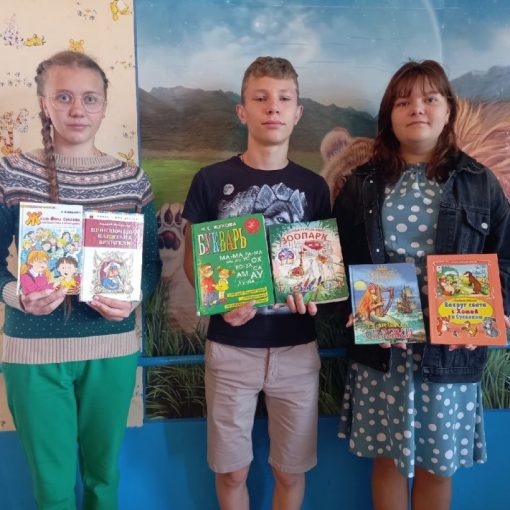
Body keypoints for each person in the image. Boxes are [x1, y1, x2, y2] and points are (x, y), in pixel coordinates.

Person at [334, 59, 510, 510]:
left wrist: (499, 307)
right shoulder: (361, 184)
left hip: (450, 346)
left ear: (448, 109)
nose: (417, 108)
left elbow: (505, 257)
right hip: (384, 345)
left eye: (430, 99)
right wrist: (349, 307)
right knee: (388, 460)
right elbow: (338, 261)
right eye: (403, 101)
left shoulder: (479, 183)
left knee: (437, 465)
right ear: (389, 115)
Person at [0, 51, 161, 510]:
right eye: (64, 97)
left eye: (90, 98)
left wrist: (133, 297)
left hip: (111, 349)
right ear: (44, 103)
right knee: (51, 490)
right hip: (33, 353)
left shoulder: (132, 180)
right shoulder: (10, 174)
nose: (77, 109)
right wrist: (17, 295)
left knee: (103, 482)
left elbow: (150, 265)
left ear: (105, 105)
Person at [183, 56, 331, 510]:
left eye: (284, 98)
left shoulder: (314, 187)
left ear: (297, 112)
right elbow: (193, 262)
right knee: (232, 470)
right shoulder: (211, 180)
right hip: (231, 348)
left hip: (296, 348)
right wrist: (218, 302)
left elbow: (322, 267)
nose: (273, 107)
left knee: (291, 469)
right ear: (242, 110)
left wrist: (314, 295)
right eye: (260, 98)